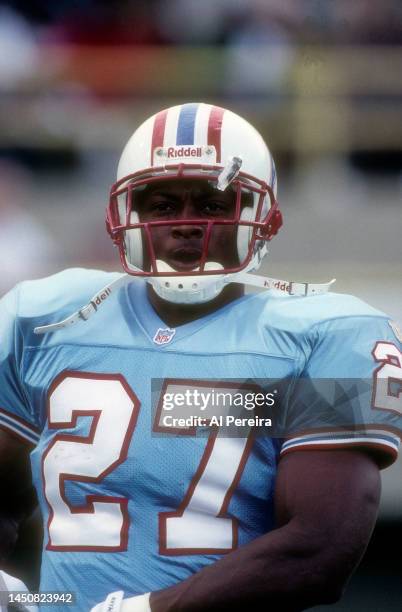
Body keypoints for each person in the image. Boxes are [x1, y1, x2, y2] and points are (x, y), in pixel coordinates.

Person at [0, 102, 401, 612]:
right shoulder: (43, 317)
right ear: (124, 214)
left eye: (212, 204)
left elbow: (320, 549)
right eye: (162, 205)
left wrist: (146, 610)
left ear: (265, 216)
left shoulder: (331, 333)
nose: (186, 223)